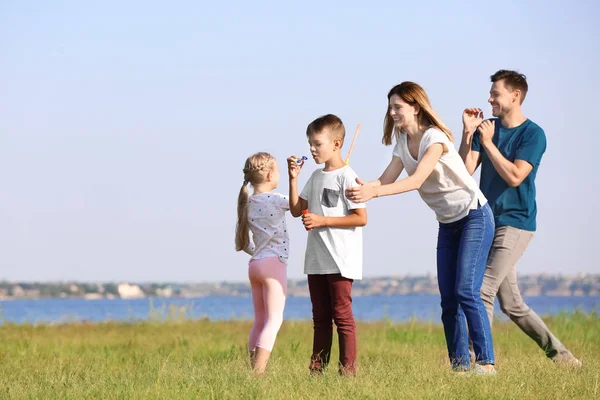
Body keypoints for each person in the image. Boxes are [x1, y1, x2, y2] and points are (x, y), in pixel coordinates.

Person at [345, 82, 496, 374]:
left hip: (474, 215)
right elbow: (386, 179)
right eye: (390, 108)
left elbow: (416, 181)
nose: (392, 113)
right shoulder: (402, 142)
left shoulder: (435, 137)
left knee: (466, 291)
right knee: (448, 301)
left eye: (397, 107)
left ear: (415, 106)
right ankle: (460, 368)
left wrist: (374, 193)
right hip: (448, 223)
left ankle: (487, 363)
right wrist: (364, 187)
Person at [459, 70, 581, 366]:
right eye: (490, 93)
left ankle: (480, 363)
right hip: (487, 221)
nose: (489, 99)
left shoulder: (533, 134)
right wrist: (468, 133)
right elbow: (464, 172)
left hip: (516, 222)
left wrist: (488, 144)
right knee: (512, 304)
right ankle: (563, 358)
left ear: (515, 96)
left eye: (495, 94)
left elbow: (515, 176)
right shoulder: (485, 128)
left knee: (481, 290)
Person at [287, 114, 367, 376]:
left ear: (336, 143)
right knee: (320, 319)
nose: (312, 148)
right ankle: (316, 370)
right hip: (316, 259)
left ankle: (348, 372)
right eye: (310, 143)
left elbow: (360, 218)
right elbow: (297, 210)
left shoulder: (349, 176)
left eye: (317, 144)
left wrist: (322, 220)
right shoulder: (315, 176)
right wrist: (293, 178)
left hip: (341, 259)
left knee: (342, 317)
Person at [235, 152, 290, 374]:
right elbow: (301, 203)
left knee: (259, 320)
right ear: (269, 175)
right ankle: (258, 373)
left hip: (255, 264)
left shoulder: (248, 203)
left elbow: (244, 243)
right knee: (274, 320)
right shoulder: (276, 200)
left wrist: (258, 252)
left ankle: (253, 369)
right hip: (273, 264)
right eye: (277, 171)